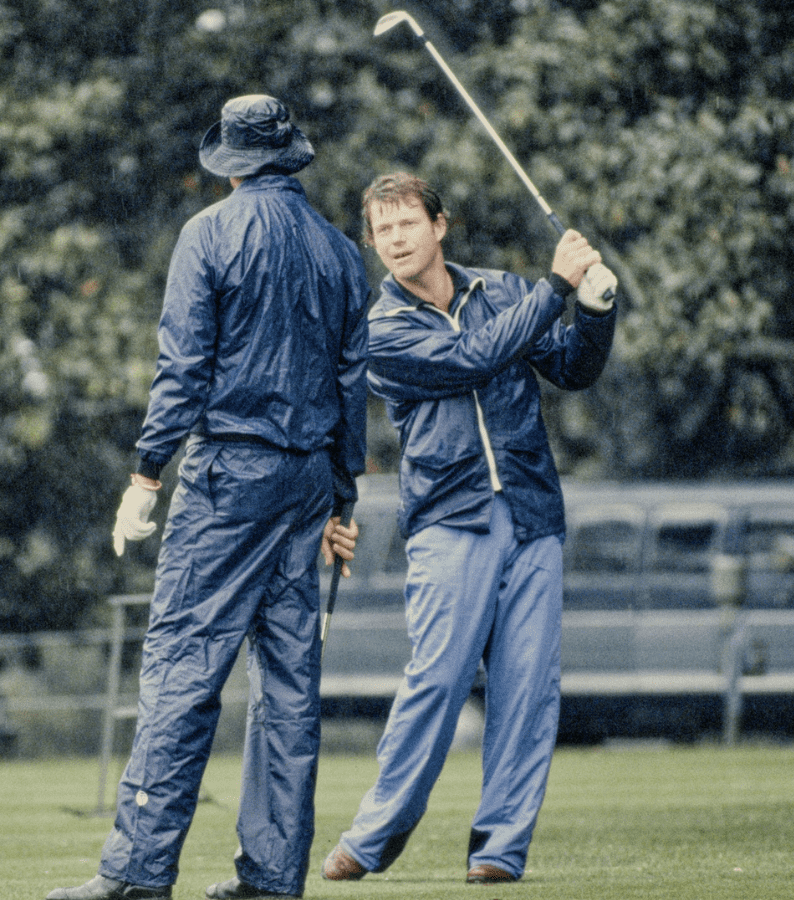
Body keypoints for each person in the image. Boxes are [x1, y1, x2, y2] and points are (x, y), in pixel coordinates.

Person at [46, 95, 369, 900]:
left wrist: (146, 474)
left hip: (230, 475)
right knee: (288, 687)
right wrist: (343, 499)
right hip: (308, 484)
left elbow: (183, 368)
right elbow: (351, 384)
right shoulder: (339, 251)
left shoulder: (209, 234)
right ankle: (272, 880)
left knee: (183, 668)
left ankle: (137, 874)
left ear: (231, 165)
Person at [320, 172, 616, 886]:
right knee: (439, 677)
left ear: (439, 225)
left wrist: (595, 307)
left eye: (407, 224)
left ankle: (498, 852)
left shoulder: (503, 291)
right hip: (450, 519)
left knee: (527, 690)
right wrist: (555, 287)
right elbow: (469, 360)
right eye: (383, 230)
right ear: (372, 243)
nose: (396, 239)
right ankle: (375, 834)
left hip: (533, 515)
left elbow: (571, 368)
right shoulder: (381, 329)